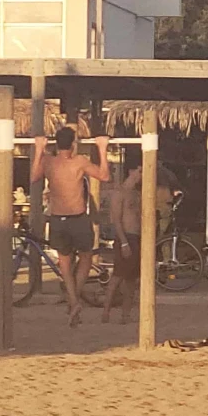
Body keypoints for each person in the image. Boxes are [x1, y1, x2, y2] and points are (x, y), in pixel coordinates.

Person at [31, 127, 110, 327]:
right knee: (85, 257)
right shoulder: (79, 161)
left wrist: (40, 150)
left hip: (59, 219)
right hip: (77, 218)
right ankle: (74, 299)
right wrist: (102, 148)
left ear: (56, 143)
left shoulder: (48, 161)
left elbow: (33, 178)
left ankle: (73, 300)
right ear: (73, 143)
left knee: (65, 264)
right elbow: (104, 175)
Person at [102, 161, 143, 324]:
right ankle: (106, 312)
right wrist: (124, 242)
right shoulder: (119, 193)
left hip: (136, 237)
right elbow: (116, 220)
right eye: (139, 171)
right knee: (117, 277)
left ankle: (126, 314)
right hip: (125, 237)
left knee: (132, 280)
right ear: (132, 171)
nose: (141, 175)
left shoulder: (136, 194)